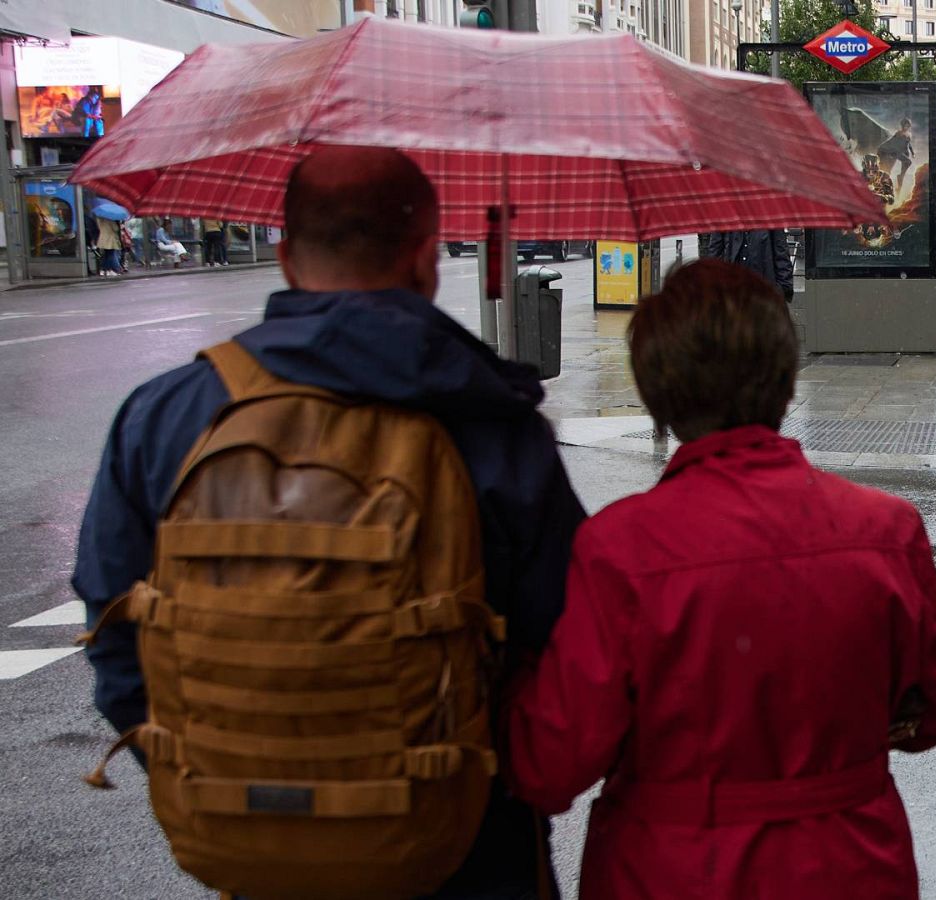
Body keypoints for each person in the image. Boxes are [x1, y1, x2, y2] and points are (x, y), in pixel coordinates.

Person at [72, 147, 586, 898]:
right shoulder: (494, 425)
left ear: (284, 256)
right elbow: (568, 647)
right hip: (463, 849)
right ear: (424, 257)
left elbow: (117, 634)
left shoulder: (166, 415)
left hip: (252, 845)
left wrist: (237, 772)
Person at [507, 259, 936, 899]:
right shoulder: (887, 531)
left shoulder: (621, 550)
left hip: (669, 868)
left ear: (656, 394)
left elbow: (552, 764)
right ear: (784, 380)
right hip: (851, 863)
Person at [706, 228, 794, 301]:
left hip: (763, 290)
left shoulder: (768, 214)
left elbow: (781, 250)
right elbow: (715, 252)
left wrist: (782, 289)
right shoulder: (727, 215)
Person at [876, 117, 916, 191]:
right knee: (890, 168)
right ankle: (884, 184)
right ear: (902, 125)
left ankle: (899, 183)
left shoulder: (909, 134)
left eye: (908, 126)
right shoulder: (899, 133)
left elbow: (909, 144)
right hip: (895, 152)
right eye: (905, 126)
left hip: (904, 153)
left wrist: (912, 153)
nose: (906, 127)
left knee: (904, 169)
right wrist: (885, 149)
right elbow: (892, 142)